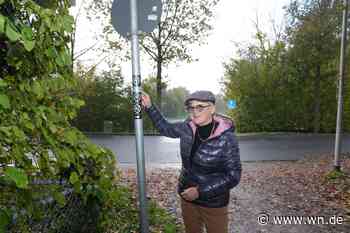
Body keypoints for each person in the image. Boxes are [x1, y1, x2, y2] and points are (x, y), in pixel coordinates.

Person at [141, 90, 241, 233]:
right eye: (191, 107)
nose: (195, 112)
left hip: (214, 203)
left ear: (212, 108)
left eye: (200, 107)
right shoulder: (187, 127)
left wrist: (200, 191)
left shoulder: (227, 138)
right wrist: (150, 107)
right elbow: (166, 128)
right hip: (187, 198)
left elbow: (233, 176)